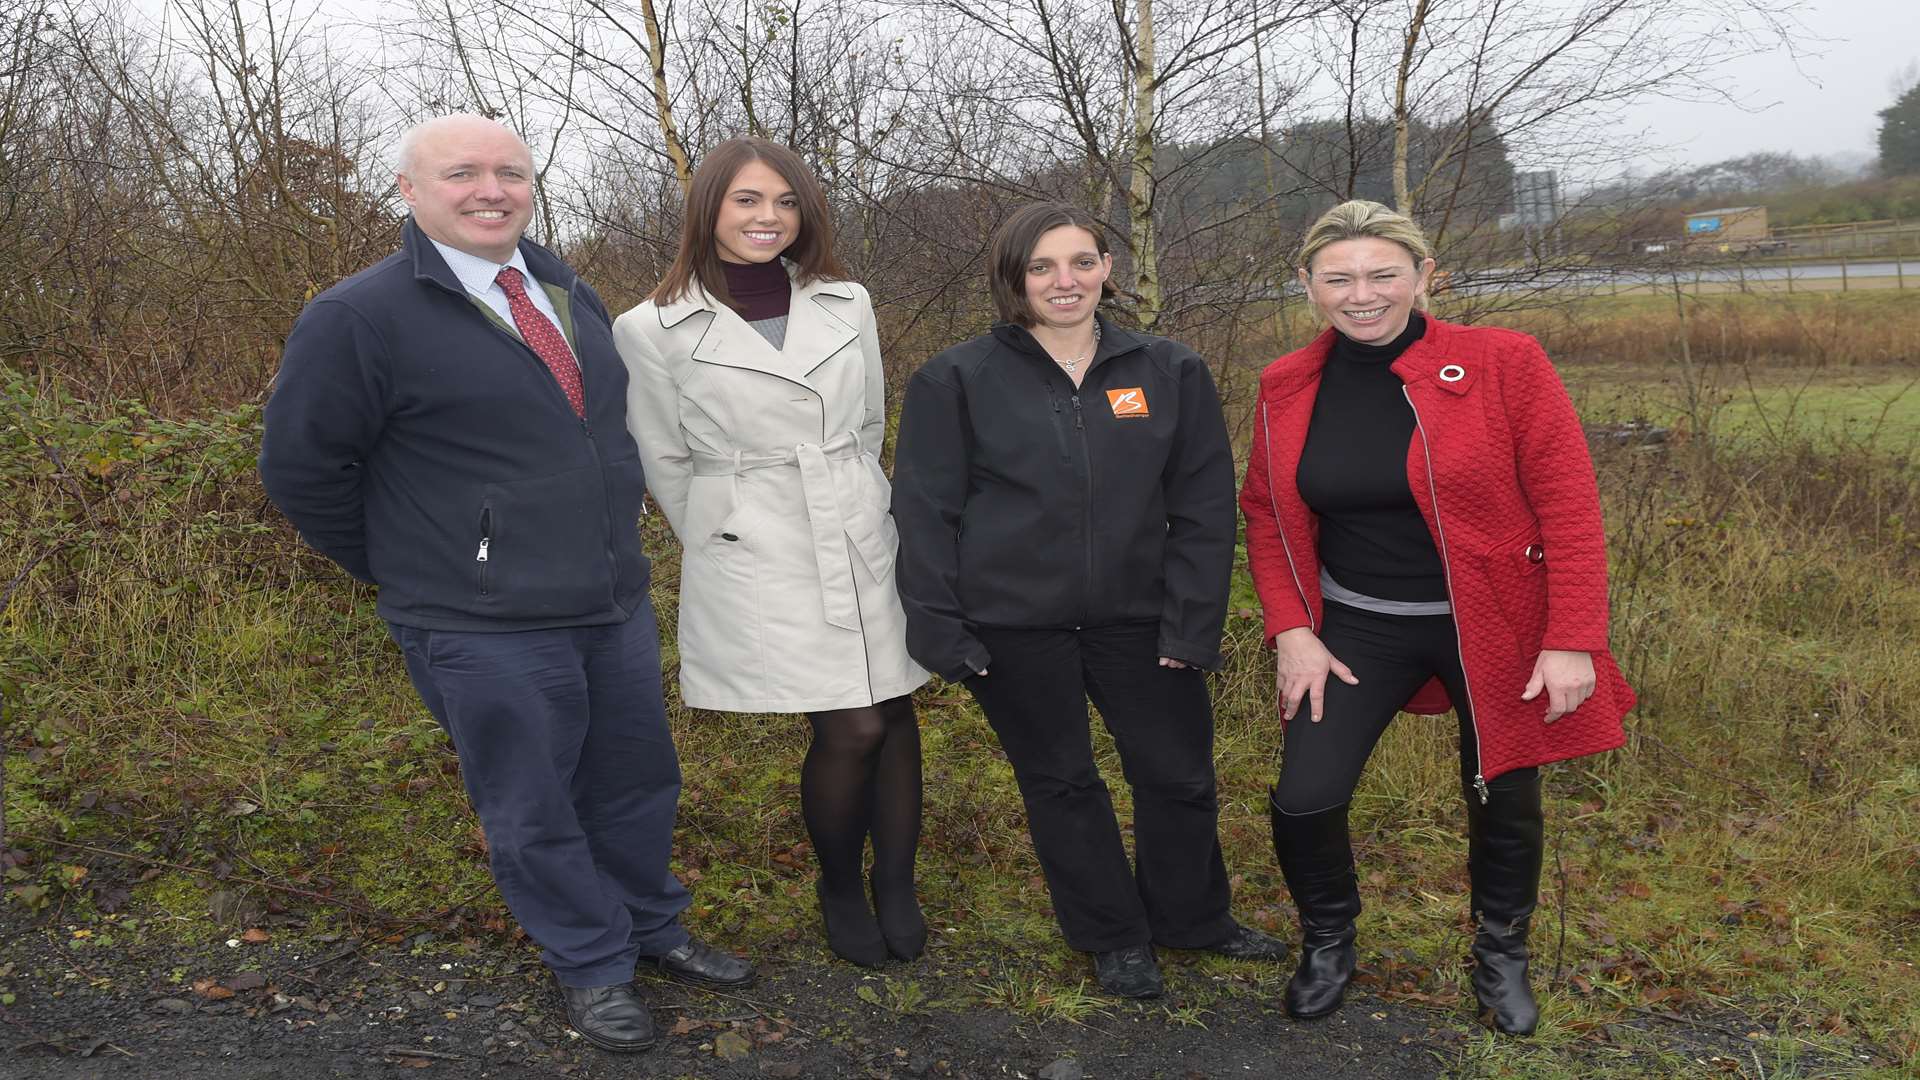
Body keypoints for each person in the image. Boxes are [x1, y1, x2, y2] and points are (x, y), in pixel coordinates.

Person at [258, 114, 751, 1055]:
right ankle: (592, 964)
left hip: (608, 598)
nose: (492, 190)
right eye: (463, 174)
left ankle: (652, 927)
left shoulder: (563, 286)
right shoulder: (358, 317)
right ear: (407, 190)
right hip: (481, 624)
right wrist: (416, 566)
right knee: (532, 802)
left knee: (638, 781)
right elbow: (301, 471)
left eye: (511, 173)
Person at [1240, 200, 1636, 1034]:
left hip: (1490, 620)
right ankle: (1329, 942)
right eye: (1339, 277)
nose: (1362, 295)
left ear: (1425, 276)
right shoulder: (1286, 383)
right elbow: (1268, 515)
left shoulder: (1503, 362)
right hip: (1358, 625)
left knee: (1501, 790)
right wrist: (1292, 629)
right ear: (1308, 285)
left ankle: (1501, 956)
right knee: (1304, 795)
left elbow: (1569, 506)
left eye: (1384, 274)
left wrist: (1571, 640)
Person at [891, 201, 1289, 999]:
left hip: (1143, 619)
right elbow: (923, 511)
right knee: (1063, 783)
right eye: (1041, 267)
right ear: (1014, 279)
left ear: (1108, 269)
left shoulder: (1168, 370)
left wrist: (1192, 620)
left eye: (1080, 262)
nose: (1063, 281)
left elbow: (1204, 507)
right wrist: (942, 629)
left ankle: (1192, 919)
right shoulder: (956, 378)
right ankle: (1114, 937)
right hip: (1013, 625)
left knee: (1177, 776)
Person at [612, 138, 930, 970]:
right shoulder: (649, 327)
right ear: (708, 208)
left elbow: (869, 424)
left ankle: (896, 882)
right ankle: (839, 884)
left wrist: (854, 496)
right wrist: (727, 536)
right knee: (851, 723)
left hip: (858, 518)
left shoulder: (845, 299)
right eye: (748, 200)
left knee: (893, 708)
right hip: (757, 538)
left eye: (785, 202)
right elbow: (665, 460)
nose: (768, 218)